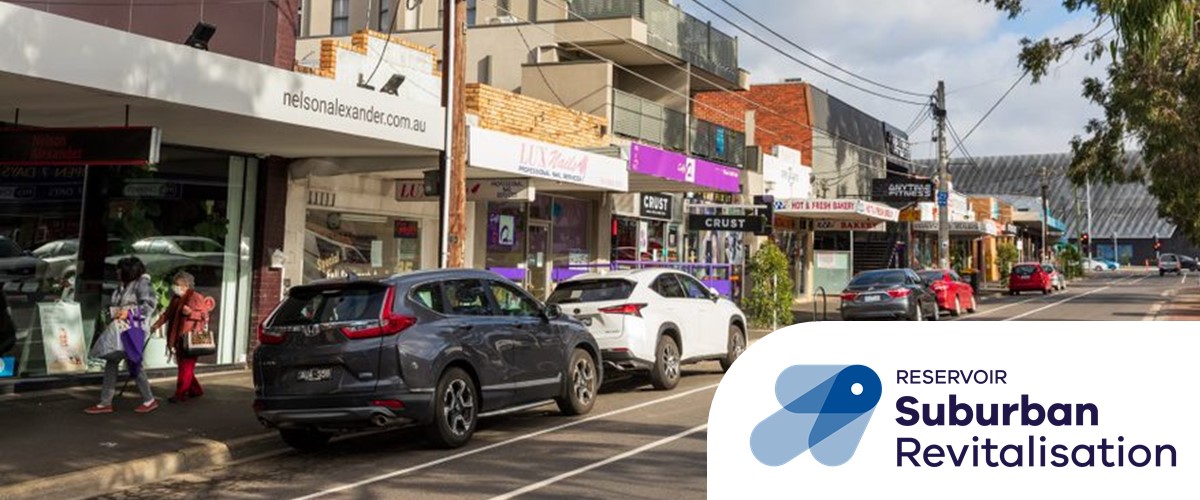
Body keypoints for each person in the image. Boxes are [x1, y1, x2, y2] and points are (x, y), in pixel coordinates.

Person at [85, 257, 159, 414]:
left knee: (133, 362)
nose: (117, 272)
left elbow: (149, 306)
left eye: (120, 269)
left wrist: (129, 312)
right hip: (121, 327)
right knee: (113, 360)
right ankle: (106, 402)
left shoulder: (142, 284)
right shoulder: (122, 286)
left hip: (134, 328)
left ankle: (148, 399)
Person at [152, 271, 213, 403]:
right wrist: (156, 325)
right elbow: (167, 314)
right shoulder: (176, 298)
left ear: (186, 285)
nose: (175, 287)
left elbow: (204, 316)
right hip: (179, 338)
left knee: (186, 367)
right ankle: (195, 390)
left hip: (191, 338)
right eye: (174, 284)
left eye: (178, 284)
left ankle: (181, 393)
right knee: (184, 367)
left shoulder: (195, 297)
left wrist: (191, 313)